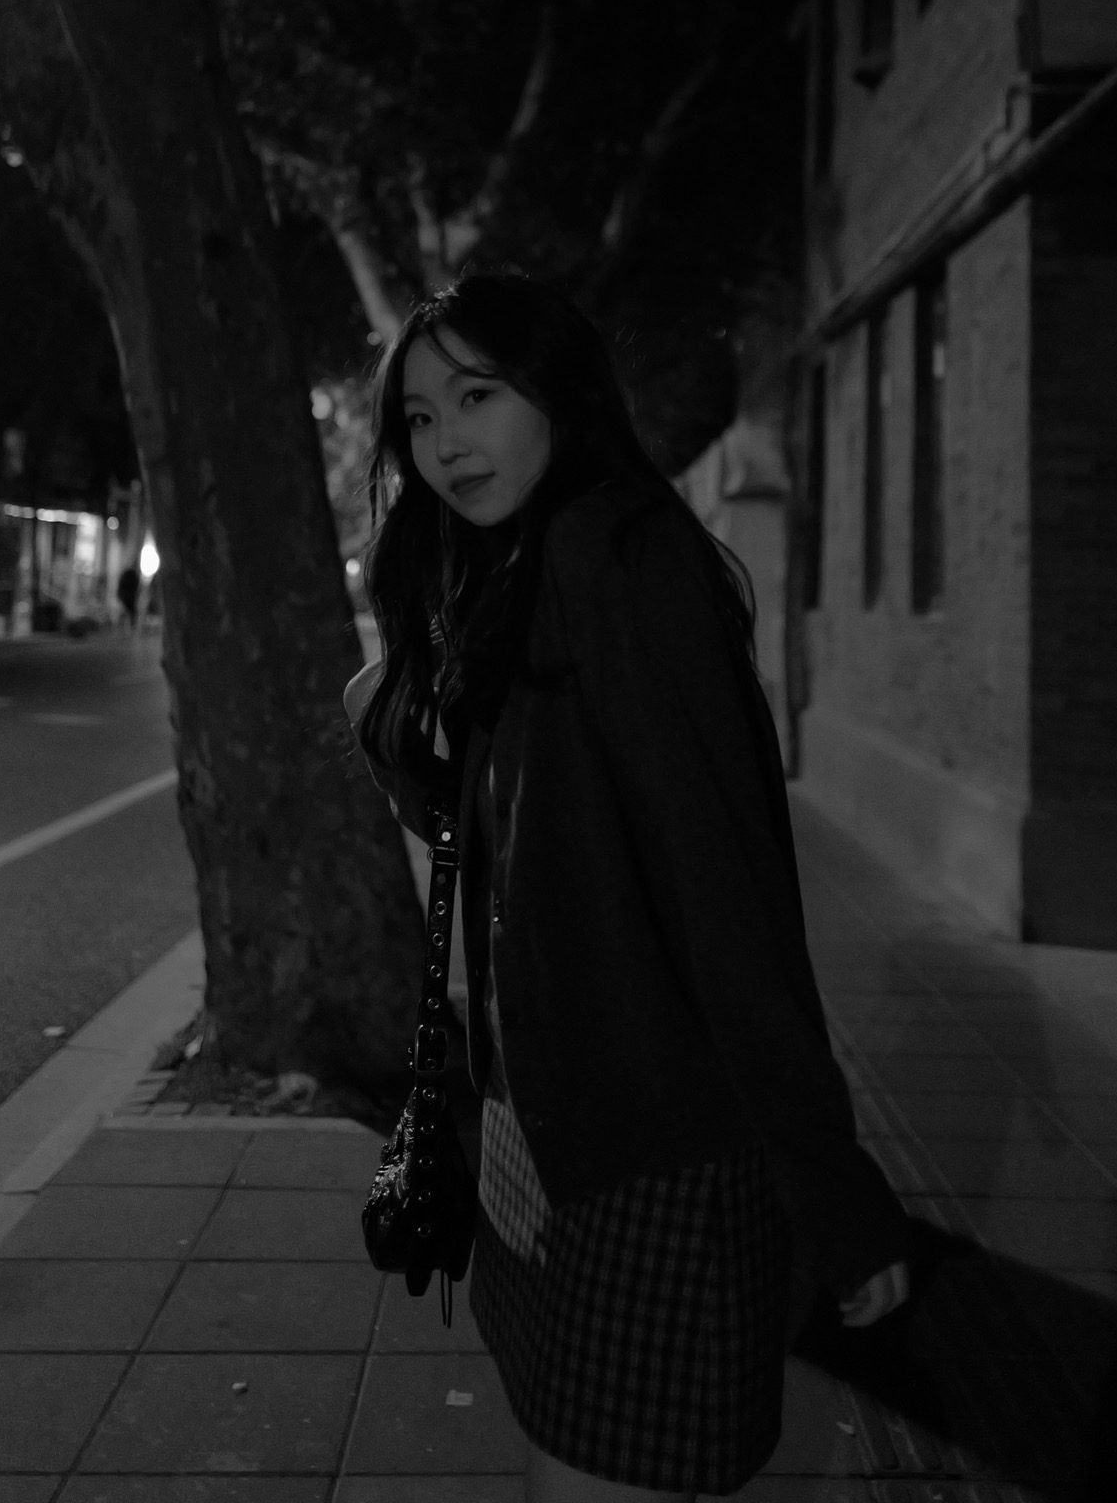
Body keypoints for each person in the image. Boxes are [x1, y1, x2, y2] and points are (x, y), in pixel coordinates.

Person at [345, 273, 911, 1503]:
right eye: (422, 418)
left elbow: (727, 891)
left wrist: (835, 1189)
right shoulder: (518, 566)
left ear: (561, 392)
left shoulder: (621, 560)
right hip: (543, 1131)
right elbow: (498, 844)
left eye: (478, 397)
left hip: (647, 1152)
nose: (447, 443)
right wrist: (397, 715)